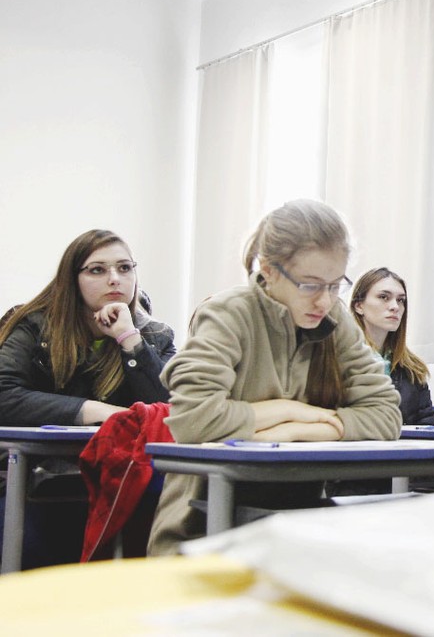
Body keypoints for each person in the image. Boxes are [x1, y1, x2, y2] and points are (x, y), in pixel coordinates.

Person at [148, 199, 402, 555]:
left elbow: (386, 414)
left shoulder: (335, 321)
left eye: (335, 285)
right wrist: (292, 409)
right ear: (269, 270)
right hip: (202, 530)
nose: (325, 301)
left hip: (294, 528)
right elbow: (193, 420)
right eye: (310, 285)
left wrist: (297, 430)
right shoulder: (228, 314)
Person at [0, 229, 174, 567]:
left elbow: (168, 409)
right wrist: (95, 410)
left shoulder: (153, 335)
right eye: (98, 270)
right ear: (72, 278)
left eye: (125, 268)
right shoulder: (32, 325)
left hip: (117, 481)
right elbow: (4, 394)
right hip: (31, 477)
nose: (115, 279)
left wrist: (129, 340)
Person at [350, 267, 434, 425]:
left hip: (404, 448)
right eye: (384, 297)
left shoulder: (412, 368)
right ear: (359, 306)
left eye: (400, 300)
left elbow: (429, 426)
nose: (395, 307)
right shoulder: (338, 360)